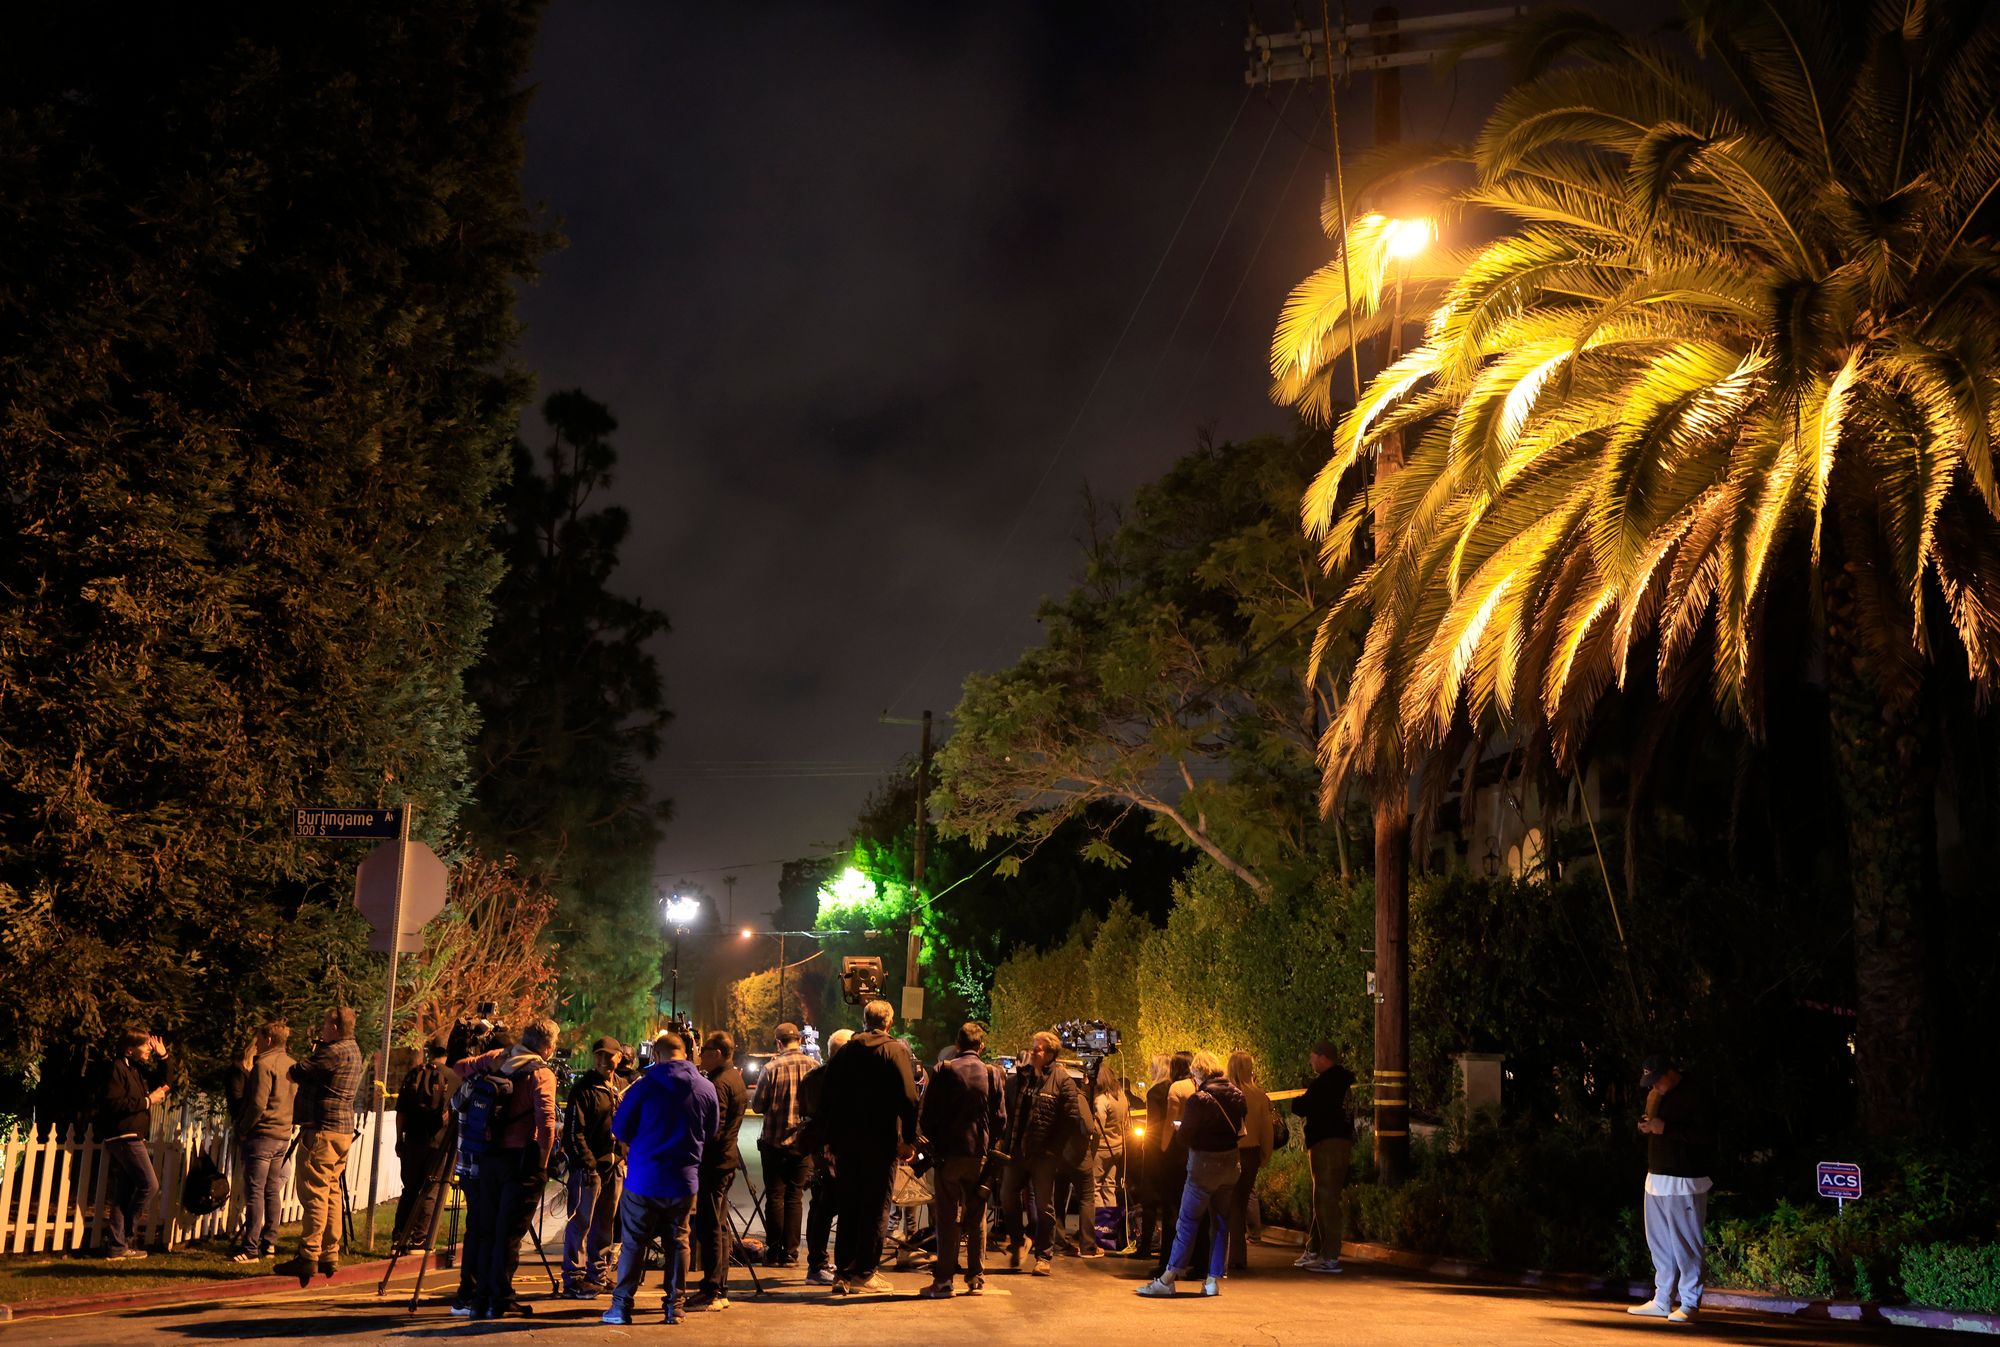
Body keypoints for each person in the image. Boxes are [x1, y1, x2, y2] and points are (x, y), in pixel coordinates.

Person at [602, 1031, 719, 1326]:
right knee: (679, 1241)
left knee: (633, 1243)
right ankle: (674, 1307)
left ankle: (621, 1307)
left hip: (644, 1178)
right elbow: (712, 1131)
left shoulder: (643, 1088)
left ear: (656, 1055)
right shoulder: (706, 1088)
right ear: (687, 1053)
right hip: (684, 1180)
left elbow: (620, 1129)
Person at [450, 1015, 561, 1320]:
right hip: (520, 1161)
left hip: (488, 1157)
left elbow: (459, 1067)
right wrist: (544, 1159)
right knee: (509, 1233)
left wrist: (479, 1071)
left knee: (487, 1229)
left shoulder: (498, 1058)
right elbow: (546, 1122)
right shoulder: (541, 1073)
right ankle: (501, 1297)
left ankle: (481, 1297)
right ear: (548, 1047)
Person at [818, 1000, 920, 1295]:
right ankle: (865, 1270)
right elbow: (910, 1098)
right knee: (876, 1208)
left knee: (849, 1206)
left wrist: (830, 1141)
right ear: (888, 1023)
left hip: (847, 1144)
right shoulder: (894, 1051)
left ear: (864, 1021)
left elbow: (828, 1098)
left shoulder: (846, 1052)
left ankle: (843, 1274)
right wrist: (909, 1139)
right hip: (881, 1142)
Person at [1137, 1050, 1247, 1299]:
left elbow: (1185, 1137)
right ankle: (1212, 1281)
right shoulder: (1238, 1096)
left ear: (1198, 1073)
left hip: (1203, 1166)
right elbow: (1241, 1132)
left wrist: (1181, 1129)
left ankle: (1168, 1278)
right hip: (1231, 1166)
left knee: (1187, 1222)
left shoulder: (1200, 1099)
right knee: (1220, 1224)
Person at [917, 1021, 1007, 1298]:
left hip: (948, 1154)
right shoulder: (993, 1074)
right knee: (977, 1215)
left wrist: (933, 1143)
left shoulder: (943, 1070)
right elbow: (1001, 1118)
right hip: (978, 1154)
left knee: (946, 1217)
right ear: (981, 1046)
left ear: (957, 1045)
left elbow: (927, 1114)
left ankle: (944, 1280)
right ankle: (976, 1278)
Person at [999, 1030, 1096, 1277]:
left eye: (1038, 1049)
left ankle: (1044, 1256)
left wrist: (1054, 1148)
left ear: (1051, 1054)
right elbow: (1008, 1108)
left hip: (1044, 1156)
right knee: (1007, 1198)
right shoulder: (1022, 1078)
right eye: (1033, 1047)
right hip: (1017, 1152)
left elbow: (1072, 1119)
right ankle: (1019, 1242)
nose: (1033, 1052)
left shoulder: (1062, 1080)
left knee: (1044, 1208)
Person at [1627, 1054, 1714, 1325]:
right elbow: (1658, 1126)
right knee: (1660, 1243)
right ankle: (1662, 1298)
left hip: (1685, 1179)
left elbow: (1707, 1134)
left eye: (1656, 1080)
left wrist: (1667, 1128)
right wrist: (1647, 1126)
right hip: (1656, 1177)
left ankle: (1690, 1302)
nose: (1654, 1086)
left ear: (1669, 1073)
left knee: (1686, 1242)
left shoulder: (1696, 1093)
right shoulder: (1658, 1095)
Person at [282, 1007, 363, 1278]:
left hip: (322, 1131)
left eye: (326, 1024)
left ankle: (308, 1254)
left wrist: (317, 1051)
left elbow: (296, 1072)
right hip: (342, 1131)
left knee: (314, 1192)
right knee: (331, 1192)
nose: (323, 1029)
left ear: (336, 1027)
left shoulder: (332, 1052)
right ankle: (330, 1252)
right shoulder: (353, 1049)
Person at [560, 1036, 626, 1298]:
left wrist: (623, 1155)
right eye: (598, 1055)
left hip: (614, 1167)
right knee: (581, 1222)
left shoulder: (620, 1088)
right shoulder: (584, 1089)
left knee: (604, 1224)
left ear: (618, 1057)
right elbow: (574, 1133)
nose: (602, 1060)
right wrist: (587, 1164)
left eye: (608, 1056)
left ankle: (597, 1274)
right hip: (589, 1170)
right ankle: (573, 1278)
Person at [96, 1027, 170, 1260]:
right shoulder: (115, 1069)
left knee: (124, 1193)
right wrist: (147, 1101)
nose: (149, 1048)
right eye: (145, 1045)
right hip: (123, 1137)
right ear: (129, 1048)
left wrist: (164, 1057)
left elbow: (166, 1083)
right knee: (150, 1185)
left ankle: (117, 1248)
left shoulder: (134, 1070)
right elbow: (115, 1104)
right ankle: (128, 1231)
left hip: (132, 1136)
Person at [688, 1030, 748, 1312]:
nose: (701, 1055)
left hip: (714, 1162)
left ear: (719, 1053)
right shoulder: (733, 1077)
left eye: (706, 1050)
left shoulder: (718, 1083)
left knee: (710, 1226)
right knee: (720, 1226)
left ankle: (712, 1289)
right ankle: (719, 1286)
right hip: (725, 1160)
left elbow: (715, 1127)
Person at [751, 1022, 814, 1267]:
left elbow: (757, 1106)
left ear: (778, 1042)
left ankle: (774, 1250)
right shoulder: (814, 1067)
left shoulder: (770, 1069)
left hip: (774, 1142)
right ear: (799, 1039)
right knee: (795, 1197)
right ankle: (791, 1253)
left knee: (775, 1196)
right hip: (802, 1143)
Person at [232, 1022, 297, 1263]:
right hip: (282, 1135)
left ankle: (250, 1247)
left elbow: (258, 1104)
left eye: (258, 1038)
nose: (256, 1043)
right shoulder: (292, 1064)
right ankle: (270, 1243)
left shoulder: (263, 1065)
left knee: (255, 1191)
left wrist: (243, 1128)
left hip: (263, 1135)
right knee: (272, 1191)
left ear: (268, 1039)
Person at [1291, 1040, 1355, 1274]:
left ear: (1323, 1057)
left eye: (1313, 1057)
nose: (1311, 1061)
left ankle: (1330, 1256)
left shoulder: (1327, 1083)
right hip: (1337, 1142)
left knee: (1326, 1198)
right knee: (1322, 1197)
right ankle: (1315, 1249)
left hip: (1326, 1144)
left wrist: (1296, 1101)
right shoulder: (1342, 1081)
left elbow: (1304, 1105)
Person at [392, 1036, 457, 1255]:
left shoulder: (414, 1073)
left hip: (412, 1140)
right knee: (431, 1190)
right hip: (439, 1144)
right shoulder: (453, 1078)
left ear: (429, 1050)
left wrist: (399, 1138)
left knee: (409, 1189)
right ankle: (419, 1240)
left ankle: (399, 1238)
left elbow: (401, 1112)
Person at [800, 1027, 853, 1284]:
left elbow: (805, 1112)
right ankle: (821, 1264)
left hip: (818, 1151)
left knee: (819, 1207)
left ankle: (818, 1261)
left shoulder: (812, 1078)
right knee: (831, 1209)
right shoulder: (844, 1079)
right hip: (835, 1152)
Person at [1146, 1051, 1195, 1280]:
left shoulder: (1167, 1090)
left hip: (1171, 1155)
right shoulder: (1198, 1087)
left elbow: (1163, 1125)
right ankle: (1193, 1261)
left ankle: (1167, 1261)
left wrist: (1161, 1149)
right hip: (1192, 1154)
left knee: (1170, 1211)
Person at [1226, 1049, 1273, 1273]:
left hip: (1229, 1152)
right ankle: (1237, 1256)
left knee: (1224, 1205)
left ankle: (1223, 1255)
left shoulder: (1226, 1093)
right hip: (1251, 1152)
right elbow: (1266, 1129)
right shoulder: (1259, 1095)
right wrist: (1265, 1154)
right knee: (1240, 1203)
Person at [1088, 1062, 1130, 1256]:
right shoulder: (1121, 1097)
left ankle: (1099, 1229)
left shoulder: (1101, 1100)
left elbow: (1097, 1128)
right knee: (1110, 1187)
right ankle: (1111, 1229)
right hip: (1118, 1148)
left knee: (1095, 1187)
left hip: (1102, 1149)